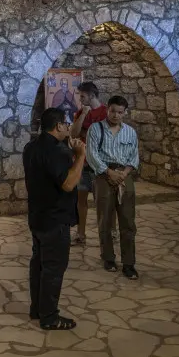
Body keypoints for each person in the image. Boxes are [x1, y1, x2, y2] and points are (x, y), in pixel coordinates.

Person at [23, 107, 87, 330]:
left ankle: (37, 308)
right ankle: (49, 316)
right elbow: (69, 183)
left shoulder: (30, 148)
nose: (69, 127)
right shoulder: (57, 152)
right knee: (53, 268)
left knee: (39, 264)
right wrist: (80, 156)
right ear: (58, 126)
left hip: (37, 216)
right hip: (55, 219)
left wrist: (67, 152)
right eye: (66, 124)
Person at [86, 95, 140, 279]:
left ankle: (129, 263)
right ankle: (108, 257)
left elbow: (134, 157)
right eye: (112, 111)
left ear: (125, 112)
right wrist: (109, 173)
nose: (116, 115)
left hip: (124, 176)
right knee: (105, 220)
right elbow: (92, 154)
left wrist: (123, 174)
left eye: (120, 112)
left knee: (128, 221)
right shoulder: (95, 129)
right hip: (103, 176)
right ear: (107, 109)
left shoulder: (130, 132)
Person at [69, 82, 108, 246]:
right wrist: (84, 115)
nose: (80, 98)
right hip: (83, 163)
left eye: (82, 96)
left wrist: (87, 132)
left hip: (100, 163)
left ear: (92, 95)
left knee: (104, 201)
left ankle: (108, 233)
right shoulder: (80, 112)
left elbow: (104, 135)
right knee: (81, 200)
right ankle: (81, 234)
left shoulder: (106, 112)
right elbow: (74, 133)